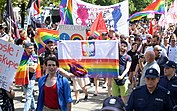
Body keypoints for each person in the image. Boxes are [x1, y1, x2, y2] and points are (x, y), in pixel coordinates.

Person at [23, 42, 38, 111]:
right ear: (25, 49)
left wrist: (23, 67)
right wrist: (29, 67)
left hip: (31, 78)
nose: (31, 50)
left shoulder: (34, 56)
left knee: (28, 96)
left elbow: (33, 69)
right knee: (29, 94)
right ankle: (33, 108)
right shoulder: (22, 56)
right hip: (23, 77)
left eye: (32, 48)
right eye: (29, 48)